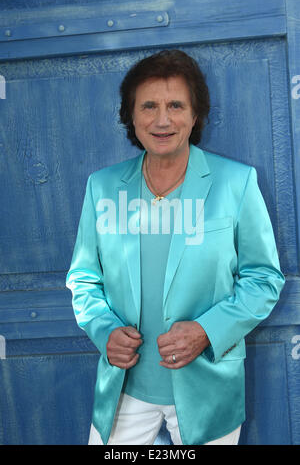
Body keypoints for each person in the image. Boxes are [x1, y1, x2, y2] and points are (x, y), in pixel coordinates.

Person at [66, 50, 285, 445]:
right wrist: (104, 330)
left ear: (196, 114)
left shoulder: (237, 183)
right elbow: (83, 278)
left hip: (208, 387)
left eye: (176, 105)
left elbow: (264, 278)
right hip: (125, 389)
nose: (162, 119)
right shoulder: (102, 187)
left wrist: (206, 330)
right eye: (149, 105)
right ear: (130, 116)